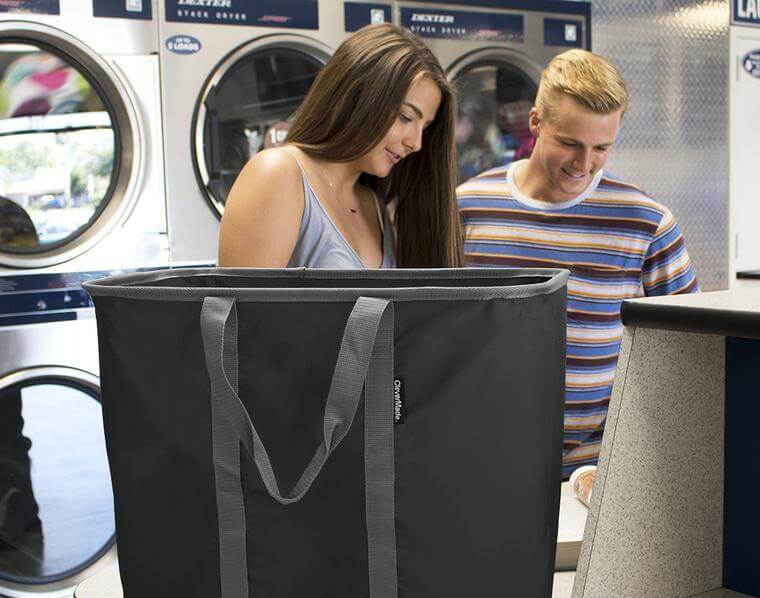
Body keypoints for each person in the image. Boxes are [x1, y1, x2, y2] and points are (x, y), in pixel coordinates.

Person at [457, 49, 699, 480]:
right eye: (569, 143)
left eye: (601, 148)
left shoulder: (647, 221)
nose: (583, 165)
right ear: (536, 123)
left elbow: (689, 353)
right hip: (478, 455)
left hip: (597, 466)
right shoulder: (468, 207)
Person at [219, 24, 463, 269]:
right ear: (357, 96)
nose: (416, 143)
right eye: (406, 117)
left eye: (426, 127)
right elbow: (246, 307)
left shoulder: (374, 206)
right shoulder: (277, 172)